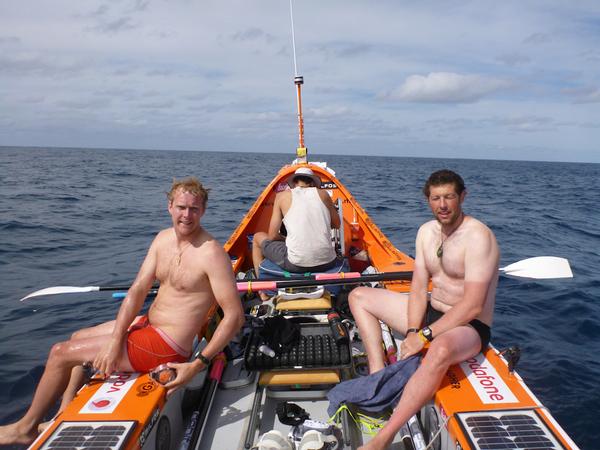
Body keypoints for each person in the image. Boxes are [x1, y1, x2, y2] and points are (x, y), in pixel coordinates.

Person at [0, 177, 245, 446]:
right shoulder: (163, 239)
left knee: (60, 353)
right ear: (170, 206)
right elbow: (138, 290)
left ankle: (25, 428)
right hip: (148, 326)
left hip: (167, 345)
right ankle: (63, 411)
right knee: (76, 335)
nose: (187, 215)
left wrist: (197, 364)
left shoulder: (211, 253)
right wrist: (117, 339)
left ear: (204, 211)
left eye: (194, 209)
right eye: (181, 207)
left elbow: (234, 316)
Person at [349, 169, 499, 450]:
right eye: (436, 198)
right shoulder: (426, 232)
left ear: (462, 197)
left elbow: (473, 304)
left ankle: (384, 438)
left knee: (440, 350)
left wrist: (425, 336)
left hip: (469, 326)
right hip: (433, 312)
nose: (442, 205)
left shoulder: (479, 237)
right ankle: (377, 376)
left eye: (449, 197)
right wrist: (411, 331)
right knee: (359, 296)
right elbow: (418, 288)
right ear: (428, 200)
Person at [252, 167, 341, 296]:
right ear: (312, 183)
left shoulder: (282, 196)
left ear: (294, 183)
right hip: (327, 262)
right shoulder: (323, 194)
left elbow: (272, 235)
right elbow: (336, 224)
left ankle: (262, 291)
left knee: (257, 238)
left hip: (295, 263)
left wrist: (285, 239)